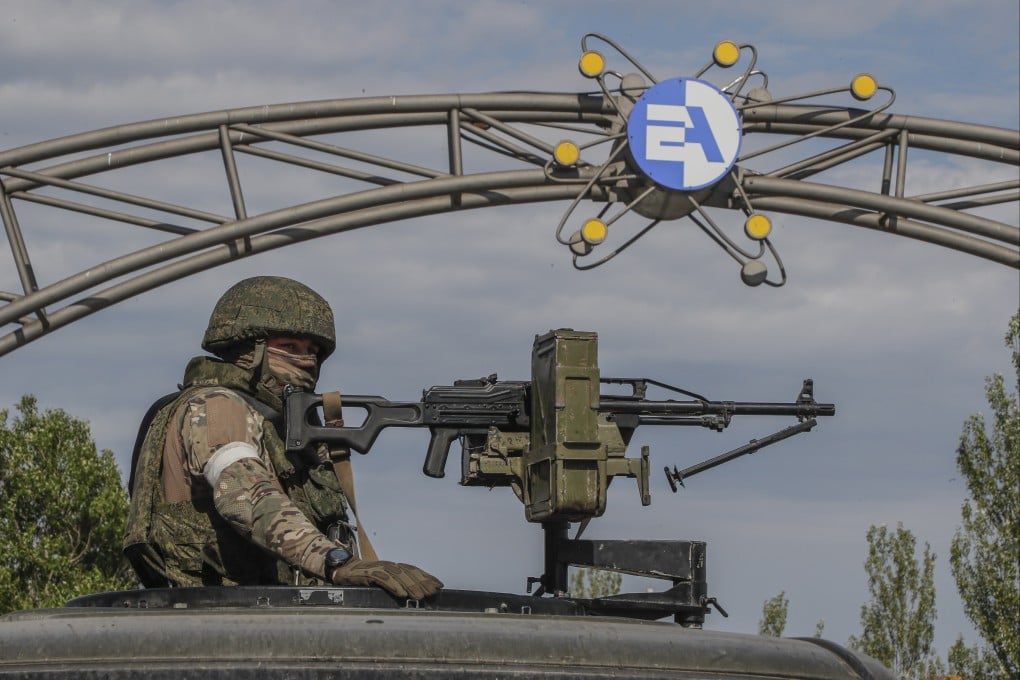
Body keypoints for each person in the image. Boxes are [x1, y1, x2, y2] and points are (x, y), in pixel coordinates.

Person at [123, 276, 442, 600]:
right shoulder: (217, 406)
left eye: (313, 352)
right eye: (290, 347)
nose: (307, 361)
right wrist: (335, 562)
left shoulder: (274, 424)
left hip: (269, 618)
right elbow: (243, 492)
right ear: (249, 349)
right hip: (220, 619)